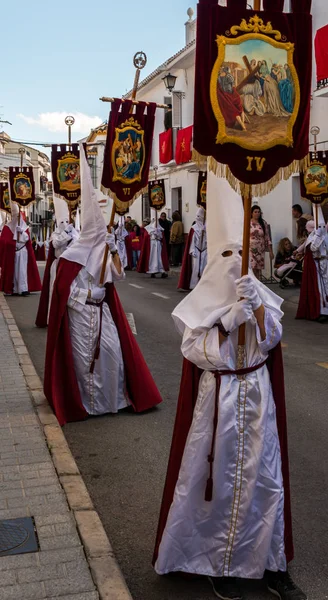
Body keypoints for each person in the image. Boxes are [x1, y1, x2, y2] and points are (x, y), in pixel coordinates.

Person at [153, 184, 306, 600]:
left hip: (257, 396)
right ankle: (219, 561)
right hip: (217, 399)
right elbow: (194, 349)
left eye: (239, 255)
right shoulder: (203, 303)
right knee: (217, 480)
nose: (234, 262)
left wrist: (255, 306)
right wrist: (225, 322)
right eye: (225, 255)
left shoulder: (258, 294)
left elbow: (272, 339)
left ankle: (272, 562)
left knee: (265, 479)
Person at [44, 145, 162, 425]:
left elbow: (117, 276)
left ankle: (112, 401)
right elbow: (64, 291)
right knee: (84, 361)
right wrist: (87, 294)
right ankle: (87, 404)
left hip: (102, 313)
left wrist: (115, 251)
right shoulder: (71, 256)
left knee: (112, 353)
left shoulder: (103, 250)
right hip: (81, 314)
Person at [35, 196, 79, 328]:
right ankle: (52, 318)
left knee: (71, 292)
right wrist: (66, 234)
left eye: (67, 221)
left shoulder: (75, 233)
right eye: (62, 221)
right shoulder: (55, 234)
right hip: (58, 266)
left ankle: (68, 320)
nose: (65, 223)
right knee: (55, 292)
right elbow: (56, 243)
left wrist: (73, 234)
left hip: (71, 267)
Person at [0, 203, 41, 296]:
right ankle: (13, 289)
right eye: (15, 216)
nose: (17, 218)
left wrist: (21, 232)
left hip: (22, 252)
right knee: (13, 272)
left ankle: (23, 288)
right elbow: (4, 241)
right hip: (12, 253)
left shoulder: (24, 227)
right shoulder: (7, 227)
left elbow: (26, 239)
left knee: (22, 271)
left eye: (18, 216)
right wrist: (11, 243)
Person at [297, 209, 328, 323]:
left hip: (324, 263)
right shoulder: (313, 236)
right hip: (317, 265)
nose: (321, 228)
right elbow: (311, 248)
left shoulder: (322, 235)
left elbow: (318, 248)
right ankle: (322, 311)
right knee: (320, 288)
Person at [178, 207, 207, 291]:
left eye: (199, 216)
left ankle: (203, 285)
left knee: (204, 269)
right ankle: (194, 285)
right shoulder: (194, 228)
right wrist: (193, 250)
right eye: (197, 216)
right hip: (196, 251)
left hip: (205, 251)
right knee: (195, 269)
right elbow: (192, 241)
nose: (197, 218)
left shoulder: (208, 227)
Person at [217, 66, 246, 130]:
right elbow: (233, 85)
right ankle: (243, 124)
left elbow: (220, 87)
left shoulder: (219, 77)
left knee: (235, 110)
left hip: (224, 96)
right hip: (230, 95)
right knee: (239, 108)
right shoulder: (228, 76)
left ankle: (242, 124)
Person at [250, 205, 274, 280]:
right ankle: (253, 285)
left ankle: (258, 285)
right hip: (251, 249)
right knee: (253, 267)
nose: (257, 213)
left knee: (258, 268)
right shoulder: (248, 222)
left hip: (260, 249)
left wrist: (271, 251)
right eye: (255, 212)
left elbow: (267, 237)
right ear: (251, 213)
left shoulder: (263, 223)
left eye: (258, 212)